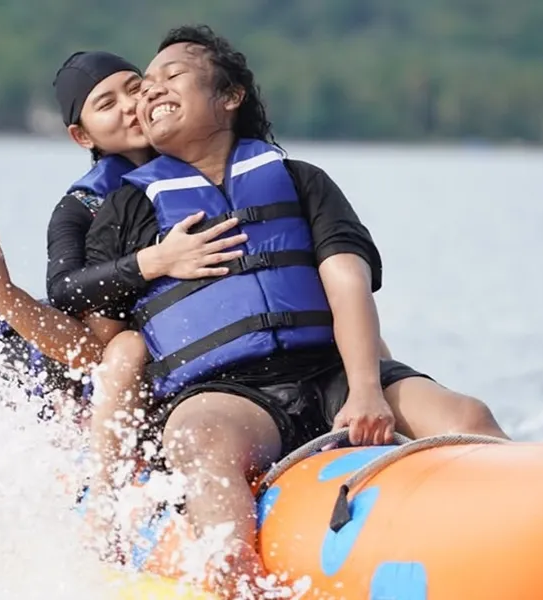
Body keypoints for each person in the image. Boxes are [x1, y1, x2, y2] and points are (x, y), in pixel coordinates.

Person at [80, 25, 510, 596]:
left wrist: (365, 389)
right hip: (226, 396)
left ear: (229, 97)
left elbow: (347, 280)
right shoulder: (126, 209)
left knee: (467, 416)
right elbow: (105, 334)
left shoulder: (300, 181)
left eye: (173, 75)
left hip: (330, 374)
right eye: (146, 83)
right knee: (199, 440)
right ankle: (236, 581)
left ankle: (534, 537)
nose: (151, 90)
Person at [0, 51, 249, 538]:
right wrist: (157, 261)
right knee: (126, 346)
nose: (131, 106)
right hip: (41, 356)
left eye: (135, 88)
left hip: (168, 360)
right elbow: (64, 291)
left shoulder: (217, 170)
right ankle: (103, 511)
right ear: (82, 136)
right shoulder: (82, 209)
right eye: (107, 103)